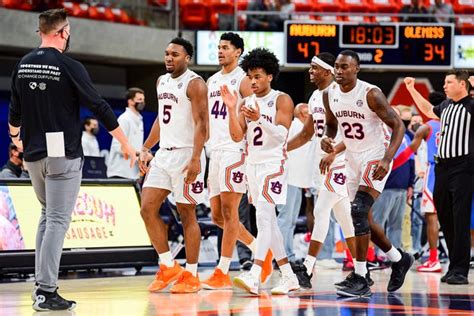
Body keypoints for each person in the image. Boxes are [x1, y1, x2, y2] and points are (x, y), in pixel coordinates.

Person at [8, 8, 136, 311]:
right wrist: (127, 145)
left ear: (40, 32)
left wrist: (16, 140)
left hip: (34, 155)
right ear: (63, 32)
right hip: (62, 155)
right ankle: (46, 291)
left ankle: (41, 284)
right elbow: (99, 106)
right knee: (56, 220)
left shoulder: (23, 64)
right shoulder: (69, 65)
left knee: (46, 215)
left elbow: (15, 111)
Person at [321, 50, 414, 297]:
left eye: (344, 67)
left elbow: (398, 125)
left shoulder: (370, 93)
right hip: (352, 157)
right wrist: (327, 139)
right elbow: (332, 124)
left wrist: (387, 158)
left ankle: (361, 276)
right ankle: (399, 259)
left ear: (356, 69)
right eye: (336, 67)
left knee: (358, 210)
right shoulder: (328, 94)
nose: (338, 71)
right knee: (364, 220)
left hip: (375, 155)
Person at [220, 48, 300, 295]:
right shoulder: (245, 102)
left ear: (270, 76)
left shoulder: (281, 99)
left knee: (264, 218)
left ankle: (255, 274)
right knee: (269, 222)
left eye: (257, 76)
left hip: (274, 165)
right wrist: (231, 108)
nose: (252, 81)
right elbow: (236, 136)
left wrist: (260, 119)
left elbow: (282, 137)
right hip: (251, 165)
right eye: (250, 77)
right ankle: (288, 276)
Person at [202, 32, 272, 290]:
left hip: (236, 150)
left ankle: (222, 271)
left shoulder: (244, 81)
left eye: (226, 48)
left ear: (238, 52)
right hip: (216, 151)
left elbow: (253, 118)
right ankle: (259, 251)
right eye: (219, 47)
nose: (220, 51)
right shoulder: (211, 80)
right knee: (218, 216)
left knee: (231, 213)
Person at [138, 37, 208, 294]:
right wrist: (146, 147)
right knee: (147, 208)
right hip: (164, 154)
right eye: (167, 53)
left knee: (186, 214)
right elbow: (161, 119)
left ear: (187, 58)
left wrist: (196, 159)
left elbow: (202, 124)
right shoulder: (161, 81)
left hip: (187, 154)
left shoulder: (195, 83)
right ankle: (168, 265)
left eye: (175, 54)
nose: (169, 58)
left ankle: (191, 274)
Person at [286, 53, 357, 289]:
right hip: (323, 164)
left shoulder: (341, 94)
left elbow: (352, 133)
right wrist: (282, 150)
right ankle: (365, 268)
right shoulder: (316, 96)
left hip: (341, 161)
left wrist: (334, 151)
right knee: (345, 218)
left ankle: (307, 267)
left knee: (321, 210)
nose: (310, 72)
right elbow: (307, 134)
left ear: (327, 72)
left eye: (314, 68)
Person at [404, 72, 473, 284]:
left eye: (449, 82)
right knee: (446, 217)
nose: (444, 86)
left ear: (462, 84)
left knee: (460, 219)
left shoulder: (471, 105)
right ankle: (453, 265)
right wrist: (411, 89)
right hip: (441, 168)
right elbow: (426, 108)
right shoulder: (445, 106)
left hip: (464, 167)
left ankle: (460, 269)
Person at [276, 102, 317, 265]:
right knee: (285, 219)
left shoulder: (305, 129)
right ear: (301, 114)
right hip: (287, 180)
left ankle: (288, 254)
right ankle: (281, 257)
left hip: (297, 180)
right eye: (309, 112)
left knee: (291, 220)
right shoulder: (296, 128)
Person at [371, 107, 415, 252]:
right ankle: (377, 255)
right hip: (385, 186)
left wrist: (410, 185)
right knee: (378, 222)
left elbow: (411, 161)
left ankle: (395, 255)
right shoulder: (379, 134)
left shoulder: (405, 136)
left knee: (397, 224)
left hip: (402, 188)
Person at [107, 87, 145, 179]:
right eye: (139, 100)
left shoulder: (140, 120)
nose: (142, 102)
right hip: (119, 172)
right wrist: (139, 153)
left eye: (143, 100)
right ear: (130, 101)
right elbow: (118, 147)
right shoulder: (124, 119)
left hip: (133, 173)